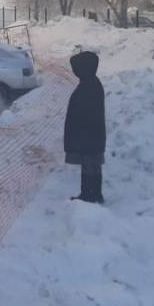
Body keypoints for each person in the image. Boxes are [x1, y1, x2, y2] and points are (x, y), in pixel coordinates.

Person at [65, 50, 106, 204]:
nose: (75, 71)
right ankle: (93, 194)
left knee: (90, 166)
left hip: (88, 136)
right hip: (92, 136)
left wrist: (78, 134)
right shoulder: (91, 82)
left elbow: (85, 113)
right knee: (91, 166)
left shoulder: (89, 86)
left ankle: (89, 195)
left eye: (76, 68)